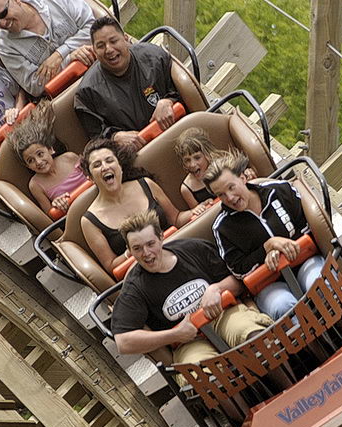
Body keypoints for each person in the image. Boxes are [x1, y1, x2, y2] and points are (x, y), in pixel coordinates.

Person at [111, 210, 273, 371]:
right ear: (130, 250)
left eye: (150, 244)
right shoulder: (134, 286)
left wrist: (217, 288)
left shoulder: (193, 248)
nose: (146, 253)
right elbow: (123, 342)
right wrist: (174, 335)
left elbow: (239, 280)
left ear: (161, 238)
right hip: (187, 341)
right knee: (203, 374)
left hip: (223, 315)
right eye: (137, 248)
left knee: (250, 334)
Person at [205, 153, 325, 320]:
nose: (230, 198)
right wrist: (266, 248)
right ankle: (318, 346)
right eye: (221, 195)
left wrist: (282, 248)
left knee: (319, 284)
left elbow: (308, 225)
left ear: (243, 178)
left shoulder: (278, 190)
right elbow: (239, 270)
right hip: (269, 284)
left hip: (305, 261)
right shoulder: (222, 228)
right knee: (282, 306)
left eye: (231, 187)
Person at [74, 17, 181, 151]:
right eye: (101, 46)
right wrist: (114, 137)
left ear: (125, 39)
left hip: (177, 133)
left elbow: (186, 96)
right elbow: (95, 139)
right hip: (134, 155)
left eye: (113, 41)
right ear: (94, 51)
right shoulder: (87, 92)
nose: (109, 50)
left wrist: (168, 101)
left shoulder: (155, 58)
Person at [78, 138, 185, 272]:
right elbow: (112, 265)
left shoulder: (147, 184)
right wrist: (132, 252)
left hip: (177, 251)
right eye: (97, 165)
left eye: (109, 160)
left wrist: (200, 209)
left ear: (120, 167)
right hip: (141, 271)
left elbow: (176, 218)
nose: (105, 167)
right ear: (91, 178)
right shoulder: (89, 221)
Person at [0, 0, 96, 96]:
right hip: (68, 92)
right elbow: (34, 85)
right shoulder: (4, 45)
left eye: (3, 13)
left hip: (97, 59)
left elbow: (92, 25)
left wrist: (60, 54)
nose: (2, 23)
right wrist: (70, 59)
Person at [4, 101, 85, 215]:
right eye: (31, 160)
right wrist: (56, 205)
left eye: (40, 154)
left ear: (50, 149)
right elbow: (50, 215)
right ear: (27, 166)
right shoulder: (35, 185)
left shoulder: (69, 158)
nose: (38, 162)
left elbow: (93, 174)